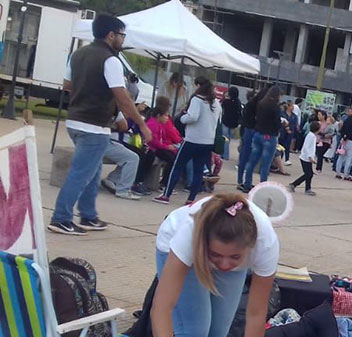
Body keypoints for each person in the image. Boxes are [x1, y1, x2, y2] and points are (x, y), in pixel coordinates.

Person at [151, 192, 278, 337]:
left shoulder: (266, 243)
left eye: (234, 257)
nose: (224, 265)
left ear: (251, 246)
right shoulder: (189, 234)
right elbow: (161, 307)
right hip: (185, 250)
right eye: (216, 255)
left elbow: (256, 313)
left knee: (217, 334)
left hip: (227, 252)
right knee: (193, 334)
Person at [49, 14, 151, 235]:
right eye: (122, 35)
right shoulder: (110, 60)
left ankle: (88, 215)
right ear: (111, 35)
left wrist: (87, 92)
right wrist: (141, 124)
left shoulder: (78, 54)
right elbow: (122, 97)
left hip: (75, 120)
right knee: (81, 174)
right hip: (94, 126)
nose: (123, 39)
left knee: (93, 172)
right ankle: (61, 218)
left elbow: (67, 84)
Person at [155, 77, 222, 204]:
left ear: (198, 86)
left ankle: (166, 195)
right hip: (208, 141)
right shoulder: (216, 103)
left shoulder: (197, 99)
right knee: (198, 171)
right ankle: (191, 199)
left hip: (192, 139)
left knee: (177, 166)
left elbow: (193, 117)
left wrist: (183, 118)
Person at [240, 85, 282, 191]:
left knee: (252, 161)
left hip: (258, 133)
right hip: (270, 136)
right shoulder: (275, 107)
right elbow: (277, 123)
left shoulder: (261, 104)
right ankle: (263, 187)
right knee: (265, 164)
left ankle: (247, 184)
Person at [137, 98, 182, 192]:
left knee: (175, 158)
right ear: (158, 116)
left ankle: (164, 182)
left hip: (158, 147)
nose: (167, 118)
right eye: (165, 116)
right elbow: (154, 142)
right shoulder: (153, 124)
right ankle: (163, 183)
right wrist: (167, 147)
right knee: (172, 160)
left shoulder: (158, 123)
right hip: (153, 148)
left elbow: (162, 138)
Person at [237, 88, 262, 188]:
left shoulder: (250, 105)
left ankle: (241, 181)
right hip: (250, 131)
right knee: (247, 157)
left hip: (247, 130)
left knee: (244, 156)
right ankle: (244, 181)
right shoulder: (253, 106)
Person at [290, 120, 320, 196]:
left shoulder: (312, 135)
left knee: (309, 174)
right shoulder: (311, 136)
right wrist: (310, 157)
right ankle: (294, 184)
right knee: (308, 174)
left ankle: (307, 188)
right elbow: (306, 147)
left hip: (307, 157)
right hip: (305, 157)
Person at [336, 104, 352, 181]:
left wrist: (344, 137)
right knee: (349, 158)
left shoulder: (347, 119)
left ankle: (338, 172)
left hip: (344, 140)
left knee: (341, 157)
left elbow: (343, 129)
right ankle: (346, 174)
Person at [220, 86, 242, 160]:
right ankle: (224, 153)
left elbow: (222, 109)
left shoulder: (226, 102)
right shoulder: (238, 103)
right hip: (234, 123)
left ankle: (225, 154)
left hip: (225, 121)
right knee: (228, 139)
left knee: (225, 138)